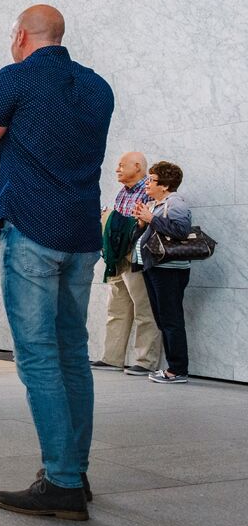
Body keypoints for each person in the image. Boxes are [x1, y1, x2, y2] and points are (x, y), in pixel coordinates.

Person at [0, 5, 114, 520]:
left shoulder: (15, 78)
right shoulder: (98, 87)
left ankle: (62, 481)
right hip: (81, 233)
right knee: (73, 350)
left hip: (31, 229)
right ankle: (76, 468)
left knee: (38, 356)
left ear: (21, 35)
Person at [91, 152, 160, 375]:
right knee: (116, 309)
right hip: (117, 258)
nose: (117, 169)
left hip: (136, 258)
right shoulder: (122, 193)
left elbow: (144, 224)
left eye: (122, 165)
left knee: (144, 309)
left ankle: (145, 361)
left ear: (137, 166)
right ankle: (112, 358)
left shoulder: (149, 190)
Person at [134, 161, 193, 384]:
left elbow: (181, 230)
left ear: (165, 185)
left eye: (152, 180)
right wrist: (142, 223)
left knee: (171, 319)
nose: (147, 183)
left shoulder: (175, 203)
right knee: (163, 318)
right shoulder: (158, 203)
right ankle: (173, 368)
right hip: (155, 267)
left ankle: (178, 370)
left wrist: (152, 219)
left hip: (169, 269)